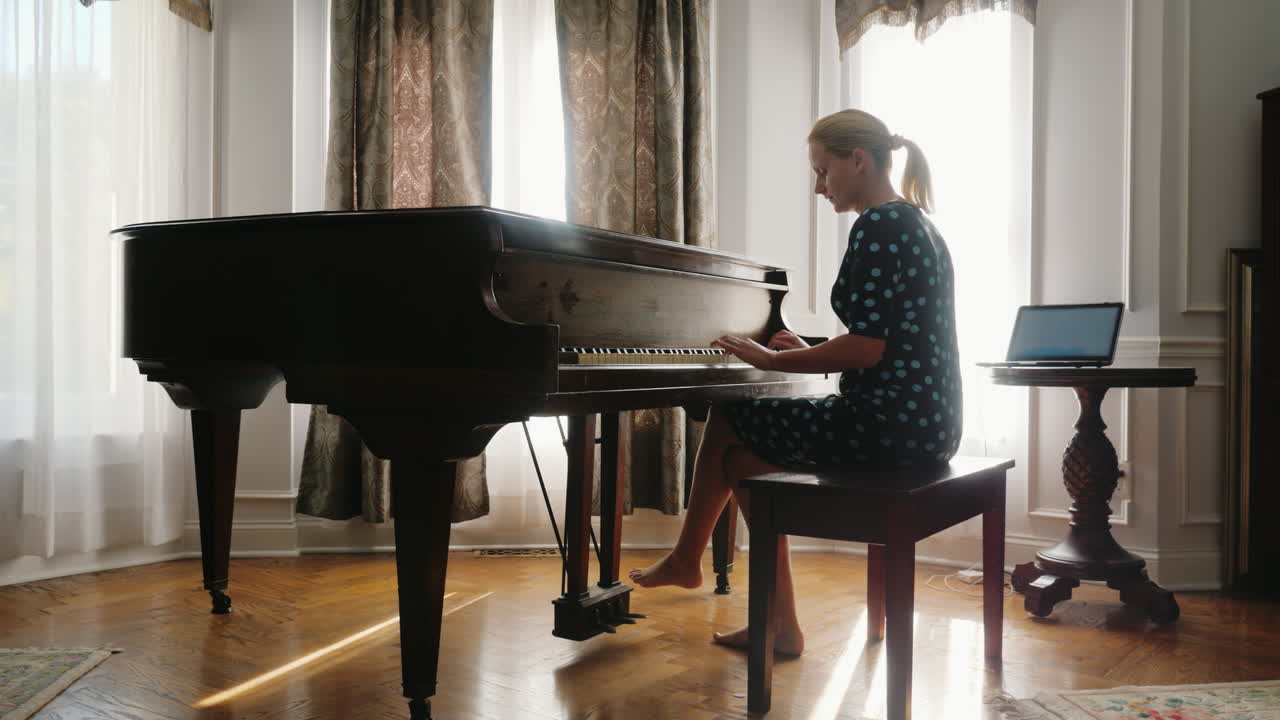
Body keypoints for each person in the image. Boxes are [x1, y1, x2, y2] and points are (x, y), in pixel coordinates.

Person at [627, 108, 963, 656]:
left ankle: (688, 559)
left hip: (889, 427)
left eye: (823, 171)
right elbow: (889, 341)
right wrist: (809, 352)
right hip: (928, 423)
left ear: (858, 159)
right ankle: (780, 625)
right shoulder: (917, 223)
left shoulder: (879, 225)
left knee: (730, 413)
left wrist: (772, 361)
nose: (818, 187)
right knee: (743, 463)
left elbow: (868, 347)